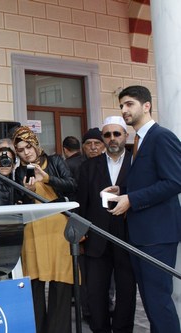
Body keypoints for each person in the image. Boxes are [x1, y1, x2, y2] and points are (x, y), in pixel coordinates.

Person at [106, 85, 181, 333]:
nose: (124, 110)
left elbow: (175, 181)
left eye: (129, 104)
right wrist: (122, 191)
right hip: (141, 236)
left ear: (146, 106)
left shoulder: (161, 137)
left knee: (158, 303)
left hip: (158, 236)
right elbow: (148, 179)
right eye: (121, 106)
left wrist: (133, 200)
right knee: (150, 303)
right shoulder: (139, 140)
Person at [12, 126, 77, 333]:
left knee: (61, 280)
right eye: (20, 150)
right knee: (34, 282)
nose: (26, 152)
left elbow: (71, 185)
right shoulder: (19, 171)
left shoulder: (56, 161)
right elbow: (20, 202)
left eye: (28, 146)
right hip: (33, 230)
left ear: (36, 144)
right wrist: (28, 192)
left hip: (58, 228)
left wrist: (46, 178)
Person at [76, 116, 136, 333]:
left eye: (117, 134)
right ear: (103, 138)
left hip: (128, 238)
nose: (112, 139)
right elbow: (82, 203)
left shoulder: (136, 163)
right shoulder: (88, 167)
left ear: (125, 136)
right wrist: (81, 235)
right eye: (108, 135)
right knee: (95, 293)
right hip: (97, 239)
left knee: (126, 292)